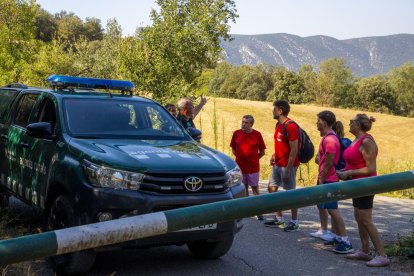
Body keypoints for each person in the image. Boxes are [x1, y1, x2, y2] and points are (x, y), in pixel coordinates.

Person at [337, 114, 390, 267]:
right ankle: (365, 251)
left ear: (358, 125)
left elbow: (371, 168)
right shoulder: (356, 141)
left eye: (351, 122)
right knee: (359, 217)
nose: (349, 123)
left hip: (366, 184)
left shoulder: (367, 141)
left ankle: (382, 255)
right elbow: (355, 163)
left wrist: (349, 173)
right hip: (356, 185)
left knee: (366, 219)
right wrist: (344, 171)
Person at [310, 111, 353, 253]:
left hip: (329, 179)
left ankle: (345, 241)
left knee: (333, 210)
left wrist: (321, 180)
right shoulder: (329, 137)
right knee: (330, 209)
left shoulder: (330, 140)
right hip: (326, 178)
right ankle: (336, 237)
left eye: (318, 120)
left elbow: (329, 163)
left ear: (325, 123)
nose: (316, 123)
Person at [264, 100, 300, 232]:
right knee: (271, 189)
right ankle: (279, 219)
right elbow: (281, 144)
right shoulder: (278, 125)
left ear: (280, 110)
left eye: (274, 109)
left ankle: (295, 222)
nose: (272, 111)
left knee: (291, 194)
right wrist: (274, 155)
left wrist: (288, 170)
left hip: (287, 166)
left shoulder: (290, 126)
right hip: (277, 163)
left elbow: (294, 150)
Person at [230, 115, 266, 219]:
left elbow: (262, 152)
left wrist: (254, 159)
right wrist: (240, 158)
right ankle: (246, 210)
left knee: (255, 189)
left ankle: (258, 211)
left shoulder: (257, 135)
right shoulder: (236, 133)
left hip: (253, 168)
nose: (243, 124)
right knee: (243, 189)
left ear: (251, 124)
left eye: (246, 123)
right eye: (243, 122)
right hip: (240, 167)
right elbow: (233, 149)